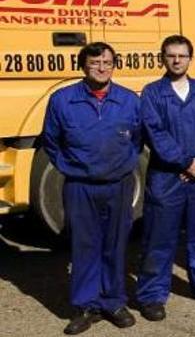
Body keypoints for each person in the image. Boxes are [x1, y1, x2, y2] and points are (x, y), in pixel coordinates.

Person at [42, 42, 142, 335]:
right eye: (95, 62)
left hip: (118, 185)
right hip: (81, 186)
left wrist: (123, 165)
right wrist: (72, 167)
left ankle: (113, 302)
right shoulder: (62, 100)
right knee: (84, 246)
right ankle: (86, 306)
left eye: (108, 62)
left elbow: (137, 140)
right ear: (83, 66)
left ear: (114, 65)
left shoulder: (128, 100)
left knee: (115, 244)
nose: (101, 67)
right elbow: (51, 141)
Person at [136, 35, 195, 323]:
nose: (177, 60)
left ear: (191, 58)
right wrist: (185, 162)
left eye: (182, 55)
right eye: (171, 55)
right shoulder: (152, 93)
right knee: (159, 238)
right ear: (162, 58)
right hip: (167, 176)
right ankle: (152, 295)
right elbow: (155, 133)